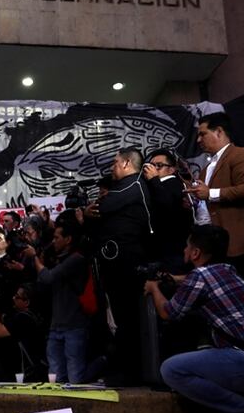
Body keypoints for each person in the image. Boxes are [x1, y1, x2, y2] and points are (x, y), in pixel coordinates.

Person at [145, 225, 244, 413]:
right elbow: (196, 281)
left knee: (172, 370)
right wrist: (173, 279)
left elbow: (168, 313)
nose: (184, 250)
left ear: (196, 253)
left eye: (187, 246)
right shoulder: (229, 271)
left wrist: (154, 288)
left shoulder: (199, 276)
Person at [84, 147, 154, 384]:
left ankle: (128, 374)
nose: (111, 167)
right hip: (114, 266)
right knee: (120, 321)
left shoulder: (132, 185)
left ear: (126, 163)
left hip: (126, 265)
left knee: (127, 321)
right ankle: (122, 371)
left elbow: (103, 207)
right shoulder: (125, 187)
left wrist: (89, 211)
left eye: (114, 162)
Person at [187, 113, 244, 289]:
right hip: (219, 249)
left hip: (243, 246)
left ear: (219, 131)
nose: (199, 139)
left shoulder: (241, 154)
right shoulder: (207, 168)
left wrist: (210, 194)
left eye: (202, 134)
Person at [27, 221, 88, 383]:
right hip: (56, 326)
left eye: (57, 237)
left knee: (75, 376)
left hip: (74, 325)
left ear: (68, 239)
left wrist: (35, 259)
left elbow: (48, 278)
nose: (53, 241)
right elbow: (42, 286)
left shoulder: (76, 259)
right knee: (54, 377)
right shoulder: (59, 260)